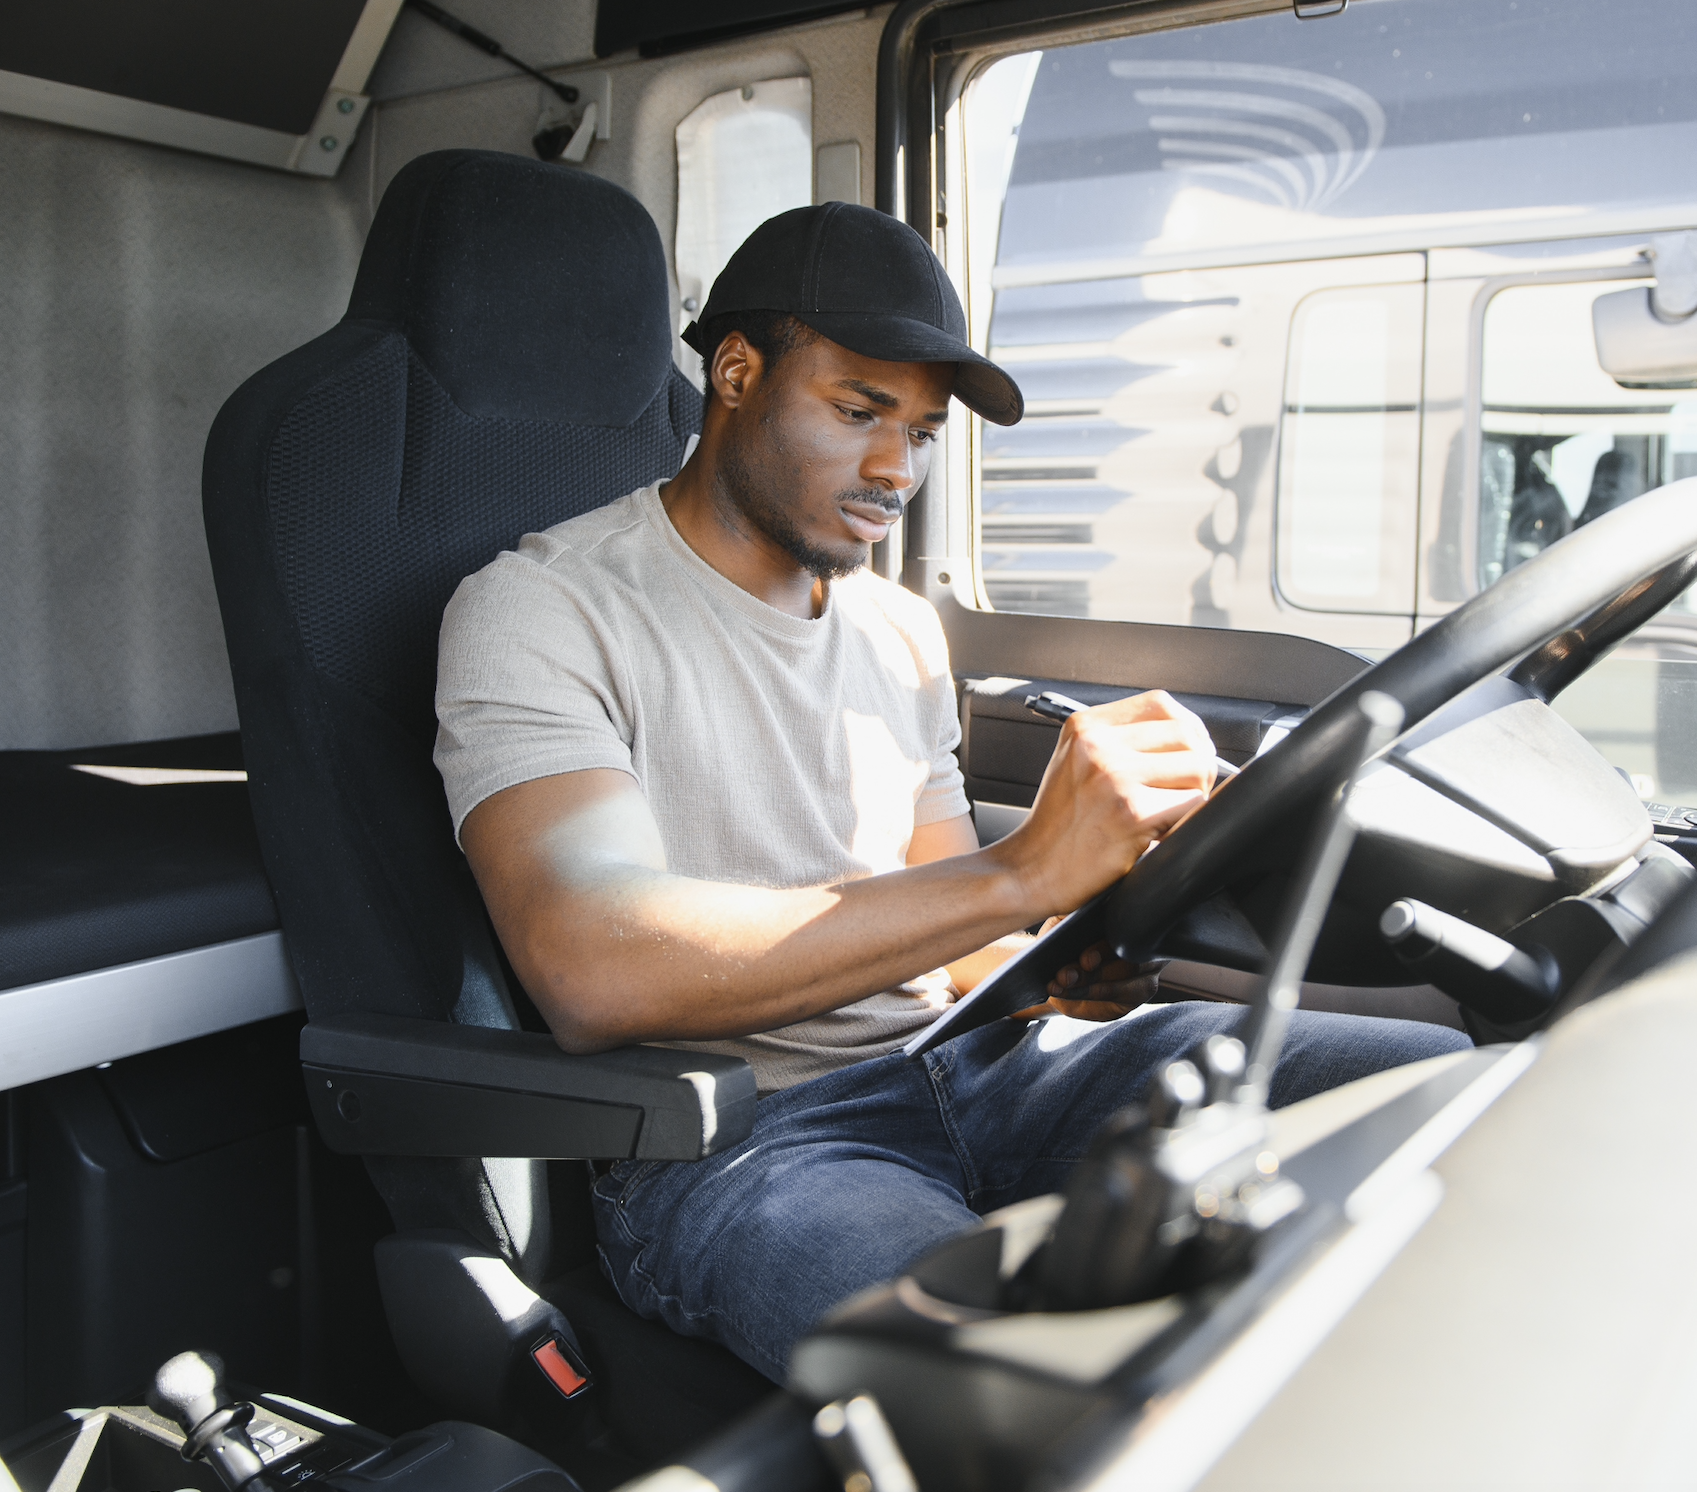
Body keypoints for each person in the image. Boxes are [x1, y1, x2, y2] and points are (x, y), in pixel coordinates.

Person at [431, 204, 1466, 1380]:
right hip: (746, 1139)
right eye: (859, 411)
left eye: (922, 433)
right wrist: (1022, 869)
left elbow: (953, 934)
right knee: (1035, 1380)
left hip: (983, 1065)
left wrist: (1064, 946)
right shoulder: (542, 608)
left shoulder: (898, 628)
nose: (898, 470)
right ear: (736, 373)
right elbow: (590, 960)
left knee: (1449, 1094)